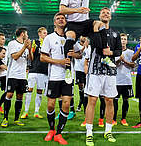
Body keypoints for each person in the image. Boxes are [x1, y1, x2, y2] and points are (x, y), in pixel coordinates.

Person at [59, 0, 111, 84]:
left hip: (85, 22)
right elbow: (62, 10)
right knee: (70, 37)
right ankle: (68, 69)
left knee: (100, 25)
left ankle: (104, 55)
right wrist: (78, 10)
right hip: (73, 23)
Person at [41, 13, 81, 145]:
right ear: (54, 22)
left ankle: (58, 133)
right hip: (54, 76)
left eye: (63, 18)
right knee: (51, 105)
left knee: (66, 104)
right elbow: (43, 57)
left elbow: (80, 55)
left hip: (68, 77)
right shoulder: (49, 38)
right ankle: (51, 129)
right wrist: (60, 61)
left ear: (66, 21)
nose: (61, 20)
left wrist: (73, 54)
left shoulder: (71, 37)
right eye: (58, 18)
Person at [84, 7, 122, 146]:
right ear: (99, 16)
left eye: (108, 13)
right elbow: (95, 44)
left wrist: (110, 53)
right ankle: (89, 133)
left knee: (110, 101)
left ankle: (108, 130)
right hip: (95, 70)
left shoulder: (116, 34)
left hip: (110, 72)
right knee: (92, 100)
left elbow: (119, 51)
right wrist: (103, 48)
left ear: (110, 17)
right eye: (103, 13)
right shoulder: (94, 30)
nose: (106, 14)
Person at [1, 27, 32, 128]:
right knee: (9, 95)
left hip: (22, 76)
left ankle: (16, 119)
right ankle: (5, 118)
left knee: (20, 97)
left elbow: (30, 60)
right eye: (26, 34)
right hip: (13, 75)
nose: (27, 36)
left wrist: (29, 49)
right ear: (22, 34)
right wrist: (24, 47)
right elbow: (15, 57)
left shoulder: (26, 46)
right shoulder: (12, 43)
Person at [21, 27, 48, 119]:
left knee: (39, 91)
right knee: (29, 90)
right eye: (44, 33)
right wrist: (29, 50)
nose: (46, 35)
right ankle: (26, 111)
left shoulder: (48, 44)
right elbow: (31, 58)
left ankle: (37, 111)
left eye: (46, 33)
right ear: (39, 34)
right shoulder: (34, 43)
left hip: (44, 71)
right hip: (33, 70)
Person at [113, 33, 135, 126]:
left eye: (125, 39)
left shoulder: (130, 52)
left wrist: (124, 61)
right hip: (116, 80)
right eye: (121, 39)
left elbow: (133, 65)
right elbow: (112, 65)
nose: (123, 41)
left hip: (127, 80)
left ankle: (123, 118)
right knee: (115, 100)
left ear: (126, 41)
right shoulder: (114, 51)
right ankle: (113, 119)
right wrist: (118, 60)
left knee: (126, 100)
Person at [75, 36, 90, 112]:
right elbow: (77, 56)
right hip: (78, 69)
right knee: (81, 88)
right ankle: (80, 105)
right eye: (82, 36)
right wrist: (84, 47)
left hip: (87, 70)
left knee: (86, 88)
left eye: (85, 36)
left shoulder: (89, 47)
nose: (84, 38)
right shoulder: (76, 45)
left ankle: (83, 105)